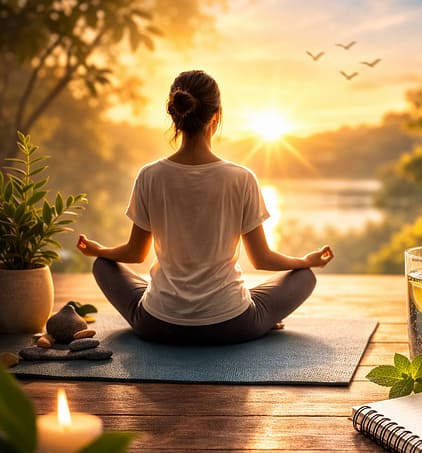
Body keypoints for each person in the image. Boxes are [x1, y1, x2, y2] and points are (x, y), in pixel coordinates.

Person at [77, 70, 333, 345]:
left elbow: (135, 253)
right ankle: (262, 319)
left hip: (158, 324)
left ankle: (167, 305)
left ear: (174, 113)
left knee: (103, 266)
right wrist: (305, 261)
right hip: (232, 325)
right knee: (304, 277)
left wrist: (98, 251)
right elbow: (262, 259)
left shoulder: (149, 175)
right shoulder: (241, 178)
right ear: (217, 115)